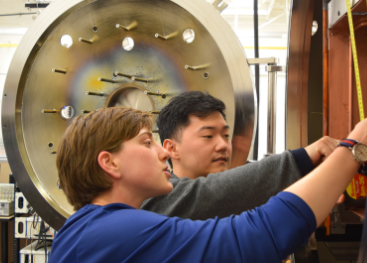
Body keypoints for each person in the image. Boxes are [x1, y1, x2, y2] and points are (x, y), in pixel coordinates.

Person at [42, 107, 367, 263]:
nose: (161, 152)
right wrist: (355, 146)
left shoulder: (96, 230)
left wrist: (299, 222)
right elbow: (257, 235)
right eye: (146, 143)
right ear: (109, 163)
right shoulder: (112, 232)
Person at [142, 91, 340, 219]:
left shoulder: (239, 199)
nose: (223, 145)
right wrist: (304, 158)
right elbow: (209, 194)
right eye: (208, 136)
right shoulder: (156, 197)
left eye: (226, 135)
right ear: (172, 148)